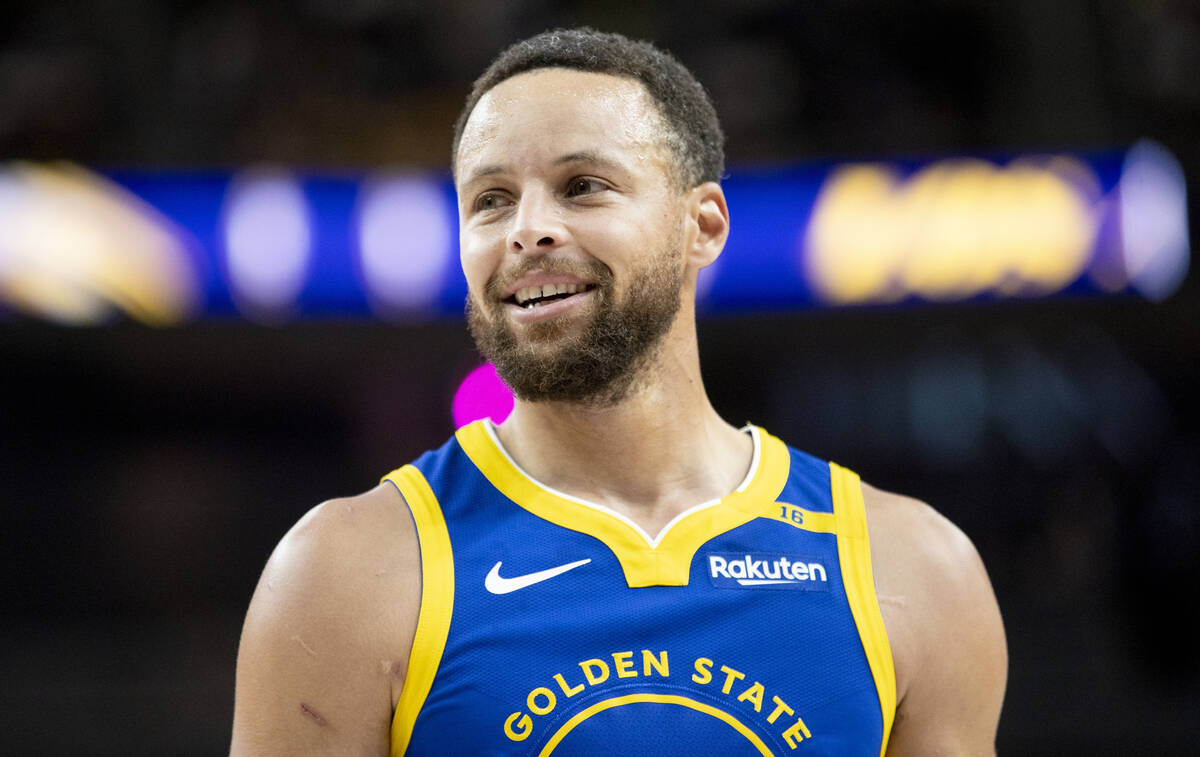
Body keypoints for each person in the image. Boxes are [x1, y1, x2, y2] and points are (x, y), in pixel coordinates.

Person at [231, 28, 1007, 756]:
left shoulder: (912, 568)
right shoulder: (345, 573)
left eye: (584, 186)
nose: (526, 229)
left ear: (701, 225)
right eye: (490, 200)